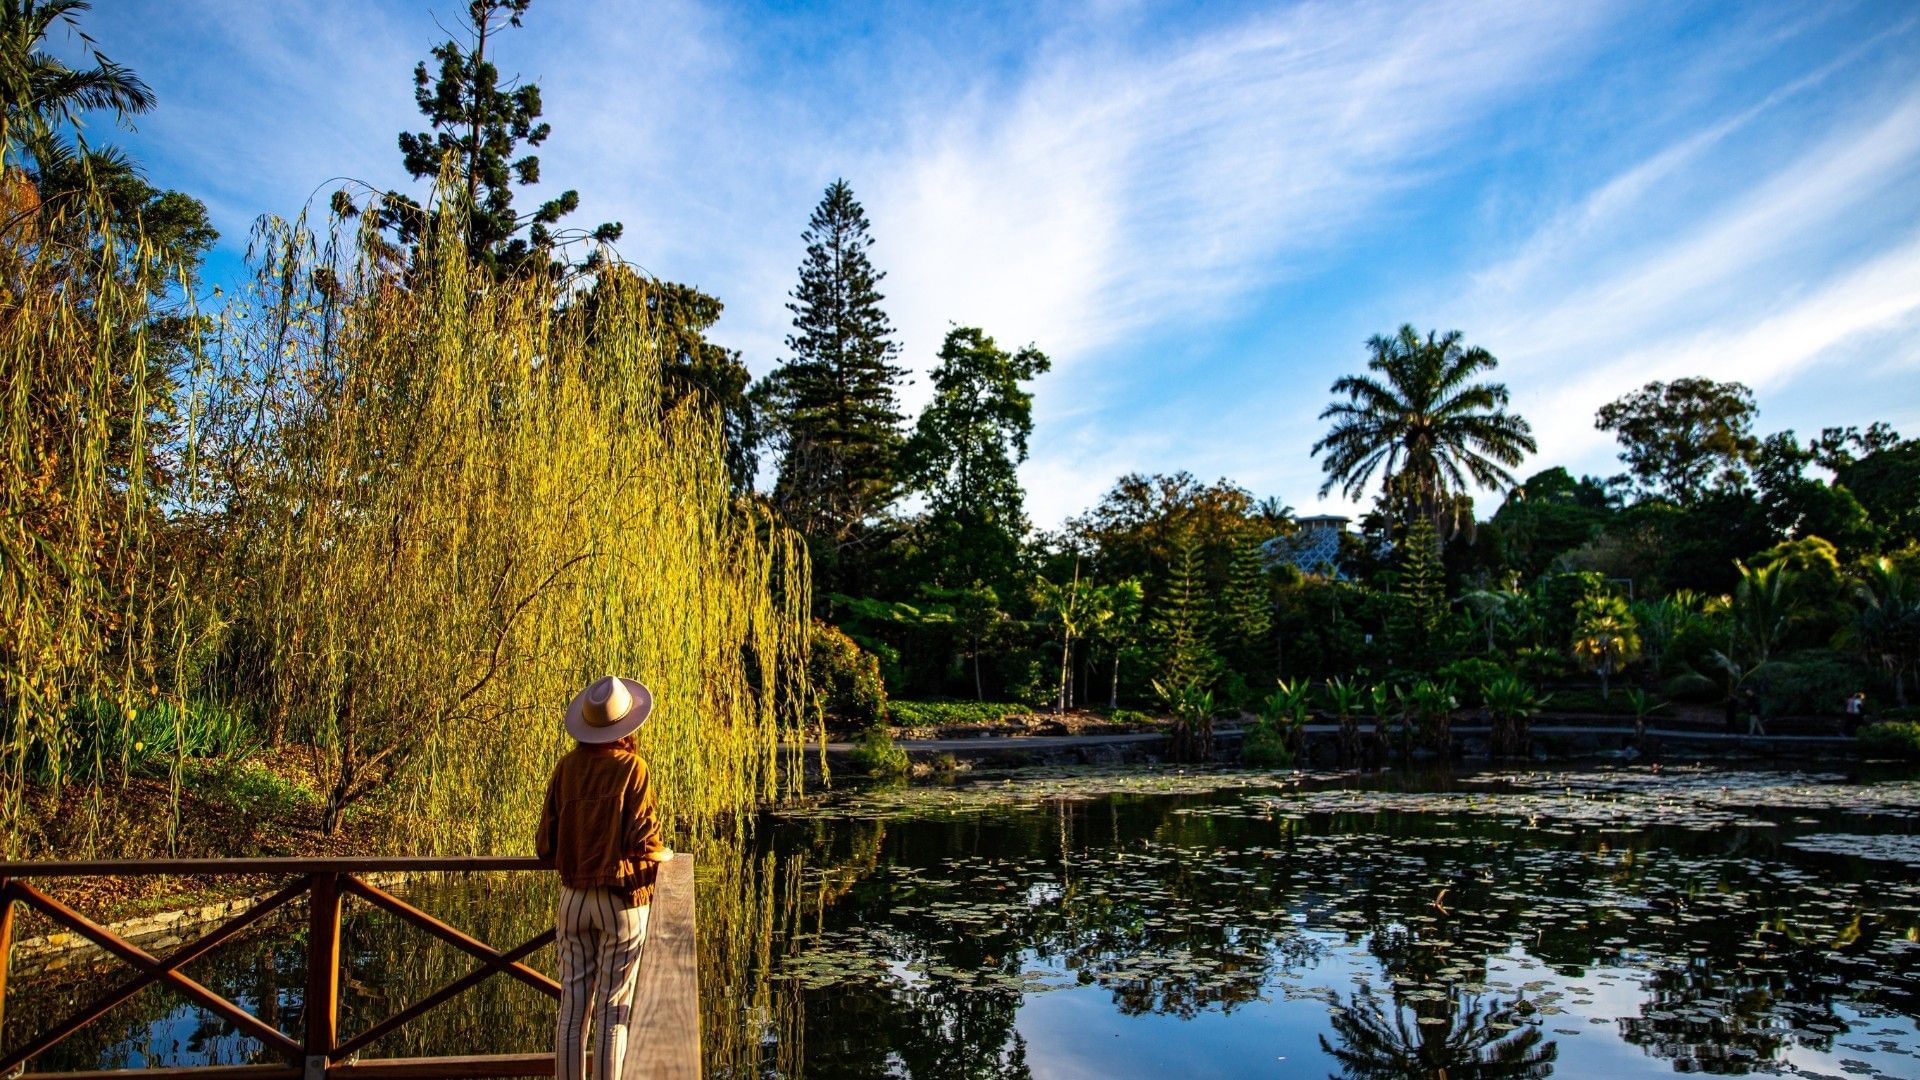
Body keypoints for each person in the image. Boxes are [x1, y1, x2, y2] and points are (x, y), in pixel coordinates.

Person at [537, 675, 674, 1080]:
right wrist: (665, 854)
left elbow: (546, 842)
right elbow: (643, 839)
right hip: (622, 899)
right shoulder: (633, 767)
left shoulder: (567, 767)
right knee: (614, 1010)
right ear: (627, 725)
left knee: (573, 1008)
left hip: (574, 899)